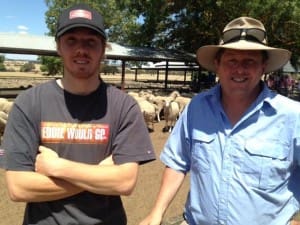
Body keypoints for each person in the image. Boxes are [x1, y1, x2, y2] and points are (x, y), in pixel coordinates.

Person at [1, 3, 155, 225]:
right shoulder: (29, 103)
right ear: (58, 47)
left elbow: (124, 183)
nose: (81, 49)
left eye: (91, 42)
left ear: (103, 49)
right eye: (71, 40)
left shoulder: (124, 106)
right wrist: (98, 176)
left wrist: (58, 168)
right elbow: (18, 187)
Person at [139, 16, 300, 225]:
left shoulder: (292, 116)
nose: (239, 69)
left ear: (263, 66)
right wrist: (156, 212)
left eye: (249, 61)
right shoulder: (196, 108)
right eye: (231, 60)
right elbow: (177, 163)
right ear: (217, 64)